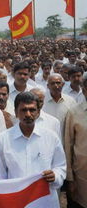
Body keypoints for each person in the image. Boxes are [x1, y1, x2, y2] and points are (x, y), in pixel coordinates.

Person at [0, 92, 66, 207]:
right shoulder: (3, 139)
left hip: (45, 201)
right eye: (23, 110)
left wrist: (55, 176)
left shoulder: (51, 137)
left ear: (38, 112)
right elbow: (0, 175)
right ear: (16, 112)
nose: (28, 114)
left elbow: (60, 167)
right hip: (16, 201)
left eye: (32, 110)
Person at [64, 72, 87, 208]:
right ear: (84, 91)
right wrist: (70, 179)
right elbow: (68, 146)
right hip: (82, 177)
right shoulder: (74, 113)